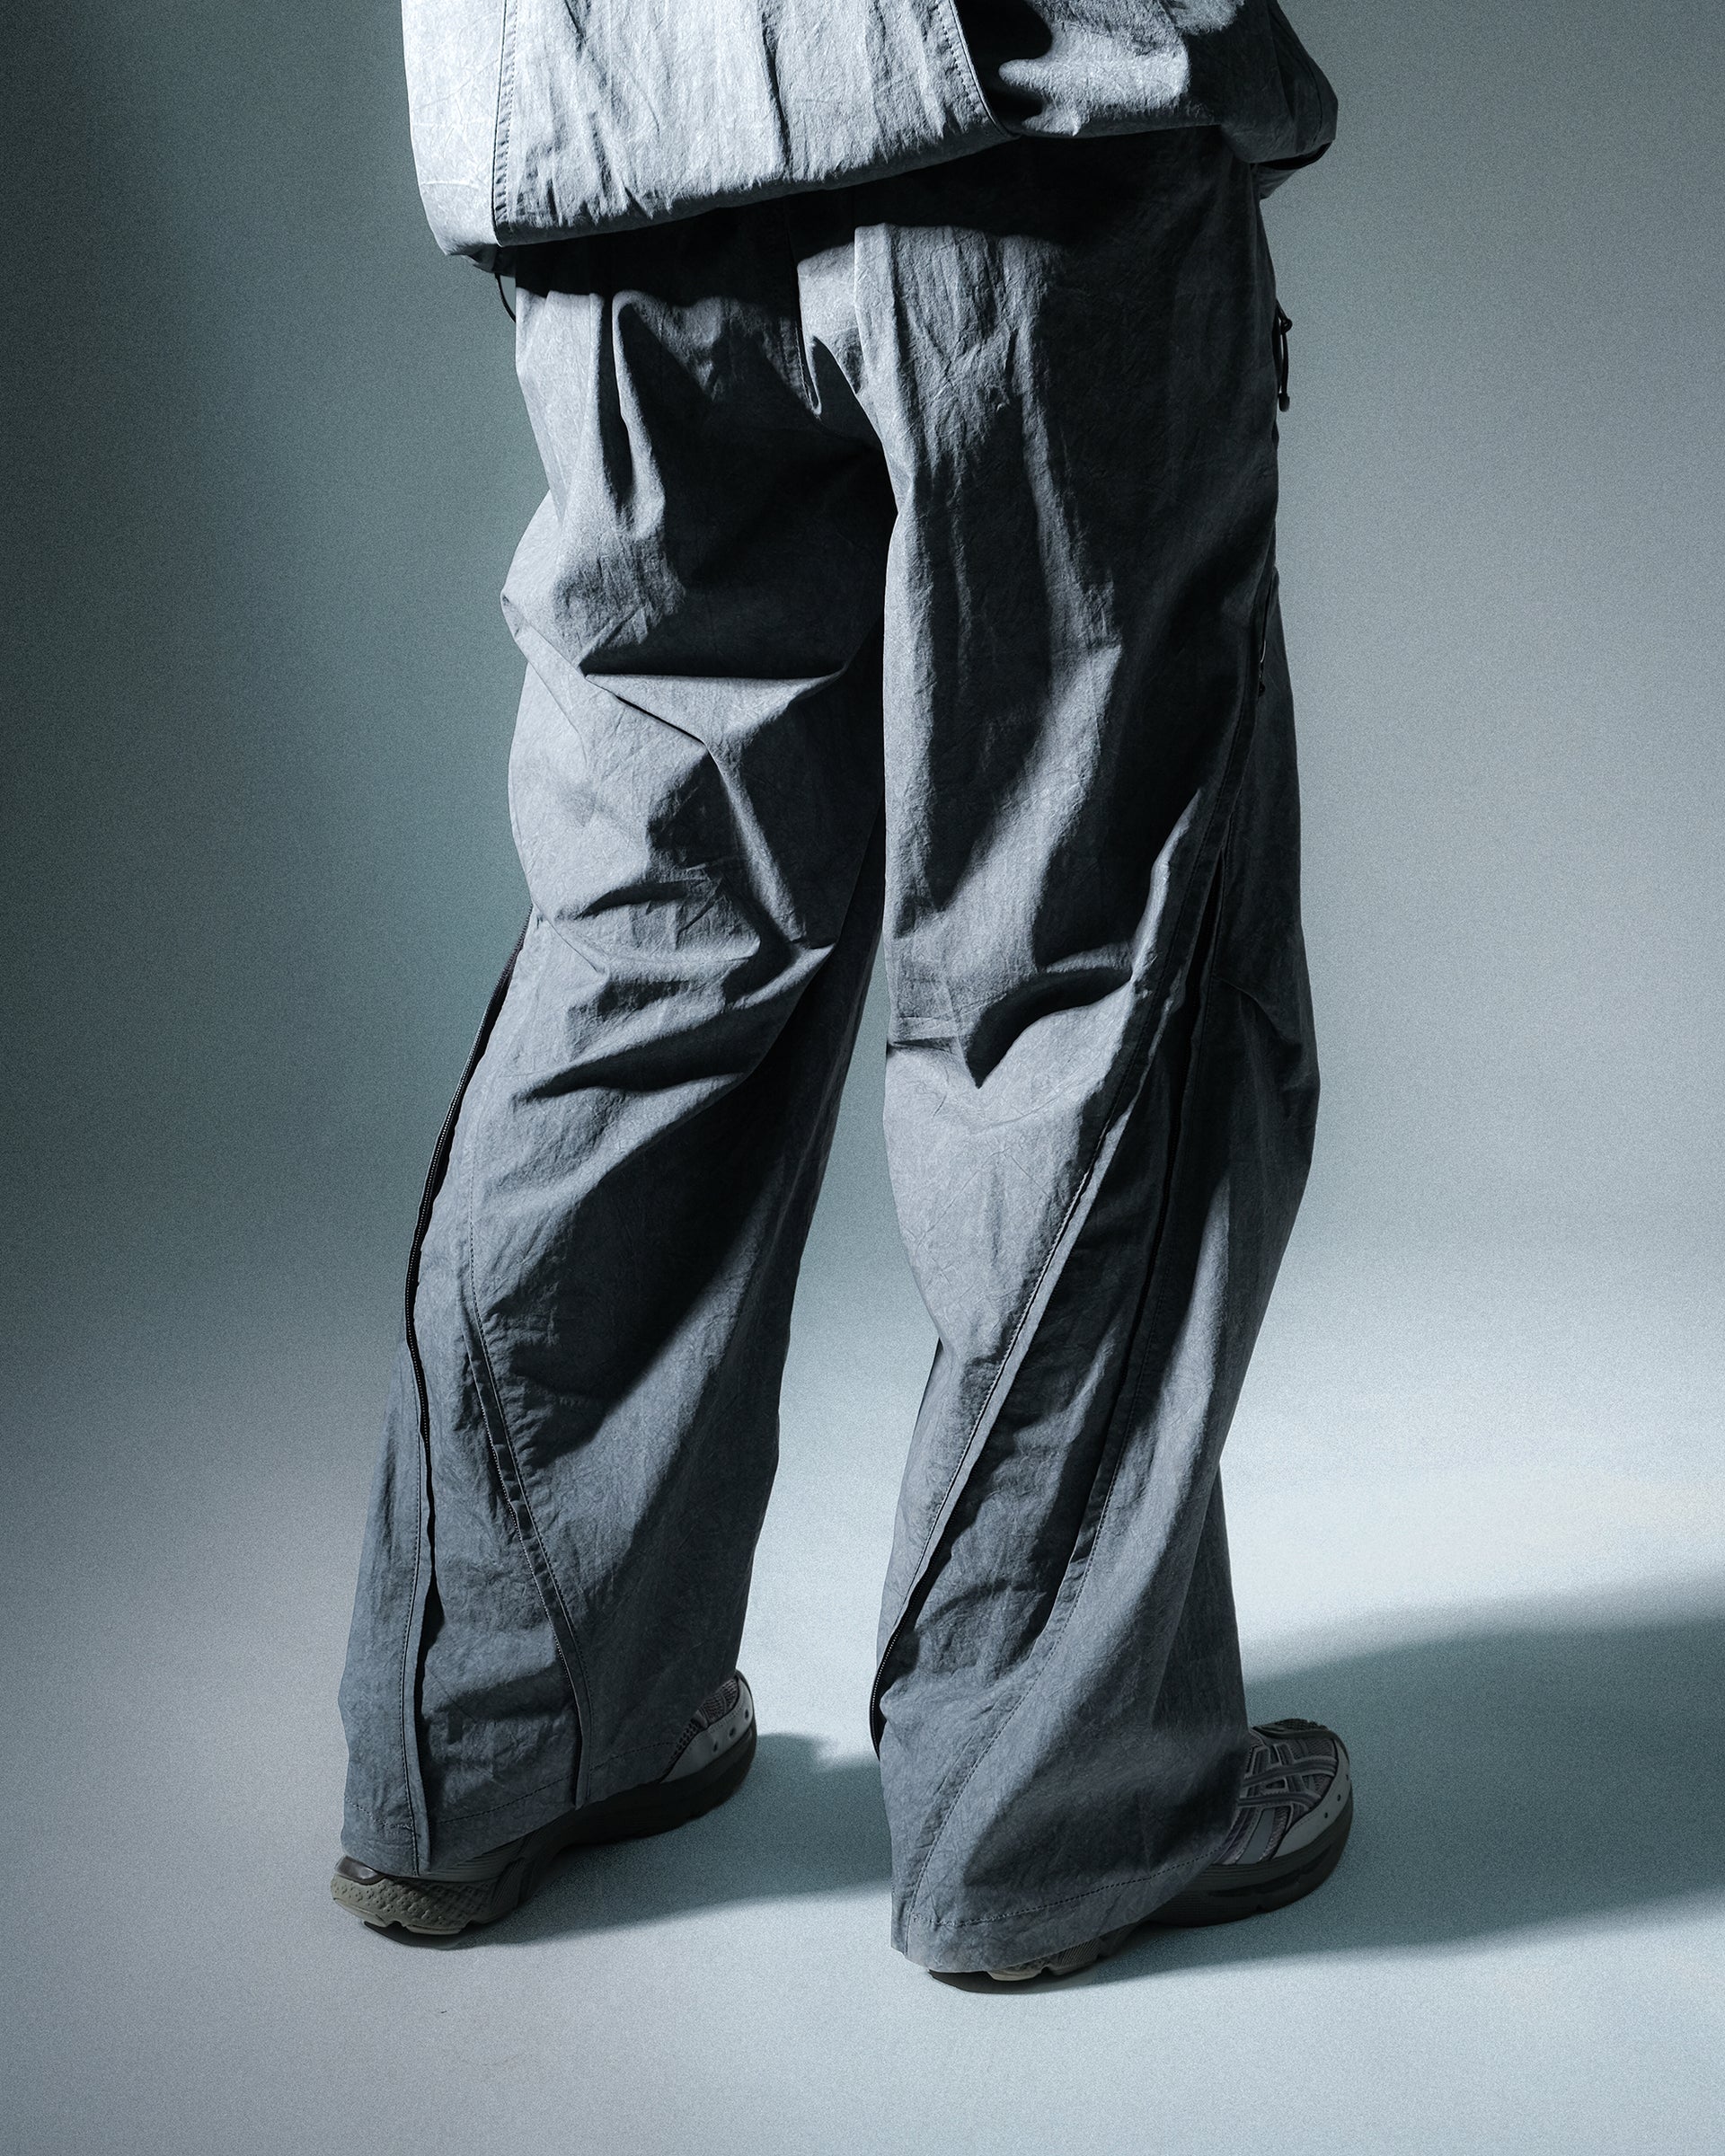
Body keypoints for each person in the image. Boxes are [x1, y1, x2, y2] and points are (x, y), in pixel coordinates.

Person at [332, 0, 1348, 1981]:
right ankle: (1049, 1809)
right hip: (1019, 109)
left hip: (606, 134)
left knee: (652, 943)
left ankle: (496, 1742)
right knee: (1078, 958)